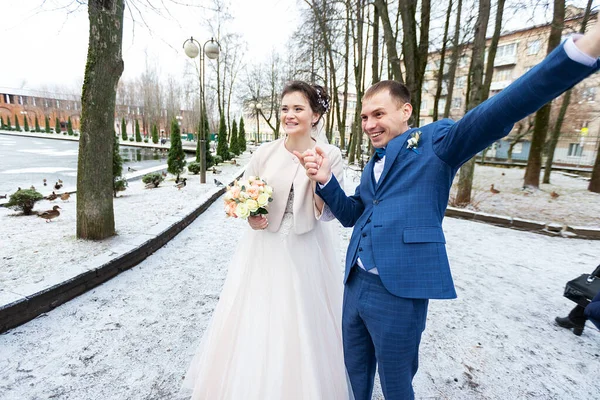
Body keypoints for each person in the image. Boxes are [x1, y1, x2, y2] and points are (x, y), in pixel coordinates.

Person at [295, 26, 600, 400]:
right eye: (363, 117)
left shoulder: (436, 144)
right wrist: (326, 181)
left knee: (395, 384)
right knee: (353, 373)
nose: (369, 124)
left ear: (405, 111)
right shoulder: (373, 161)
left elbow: (499, 110)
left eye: (378, 114)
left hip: (399, 290)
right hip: (355, 283)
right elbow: (353, 214)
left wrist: (579, 52)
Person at [181, 81, 352, 399]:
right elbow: (246, 195)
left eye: (298, 109)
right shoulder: (264, 153)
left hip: (305, 250)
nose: (289, 115)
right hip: (263, 250)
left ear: (315, 115)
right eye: (285, 108)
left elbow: (329, 213)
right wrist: (251, 215)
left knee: (301, 324)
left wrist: (319, 180)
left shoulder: (329, 154)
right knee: (256, 319)